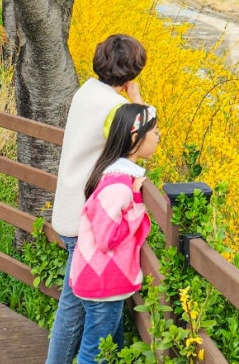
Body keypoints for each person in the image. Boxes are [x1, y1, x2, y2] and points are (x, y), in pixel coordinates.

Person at [46, 34, 147, 364]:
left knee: (73, 304)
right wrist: (137, 98)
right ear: (131, 72)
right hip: (88, 219)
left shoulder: (87, 90)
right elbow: (144, 139)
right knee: (75, 311)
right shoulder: (113, 107)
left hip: (68, 209)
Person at [69, 103, 159, 364]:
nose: (158, 137)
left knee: (111, 348)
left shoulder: (116, 175)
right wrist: (137, 203)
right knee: (94, 355)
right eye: (154, 132)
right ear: (135, 137)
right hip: (103, 283)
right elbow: (107, 237)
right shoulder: (118, 186)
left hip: (102, 280)